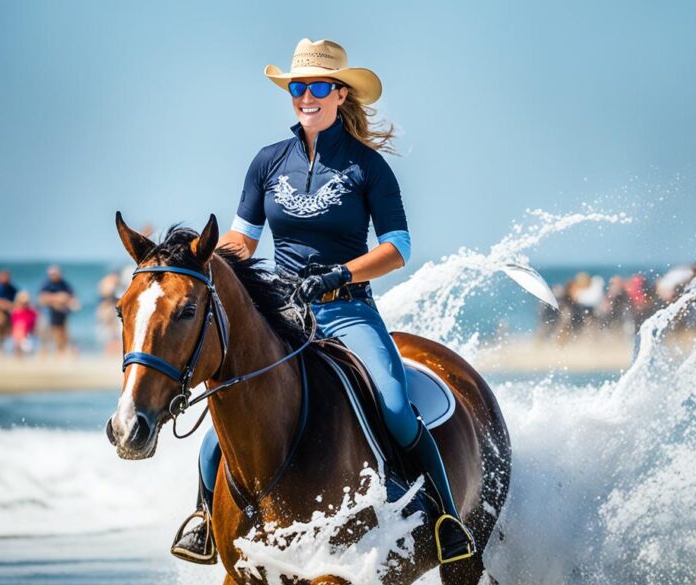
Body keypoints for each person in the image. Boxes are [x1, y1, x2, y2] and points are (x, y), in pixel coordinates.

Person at [170, 38, 475, 566]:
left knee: (396, 405)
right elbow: (243, 239)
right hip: (280, 315)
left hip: (348, 310)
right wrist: (202, 260)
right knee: (224, 420)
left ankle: (445, 519)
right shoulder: (268, 161)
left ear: (339, 93)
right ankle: (203, 517)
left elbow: (397, 248)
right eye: (296, 88)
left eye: (314, 87)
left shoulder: (367, 166)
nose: (304, 97)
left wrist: (337, 275)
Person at [37, 265, 78, 356]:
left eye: (55, 274)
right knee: (45, 339)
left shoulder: (64, 284)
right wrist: (58, 298)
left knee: (61, 338)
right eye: (51, 274)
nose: (53, 276)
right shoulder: (46, 284)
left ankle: (59, 357)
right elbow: (41, 299)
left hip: (61, 315)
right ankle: (43, 357)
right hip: (48, 315)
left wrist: (69, 302)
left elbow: (72, 298)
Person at [10, 291, 38, 356]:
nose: (24, 305)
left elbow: (35, 329)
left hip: (28, 337)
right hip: (18, 338)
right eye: (23, 303)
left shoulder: (32, 313)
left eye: (26, 303)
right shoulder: (15, 313)